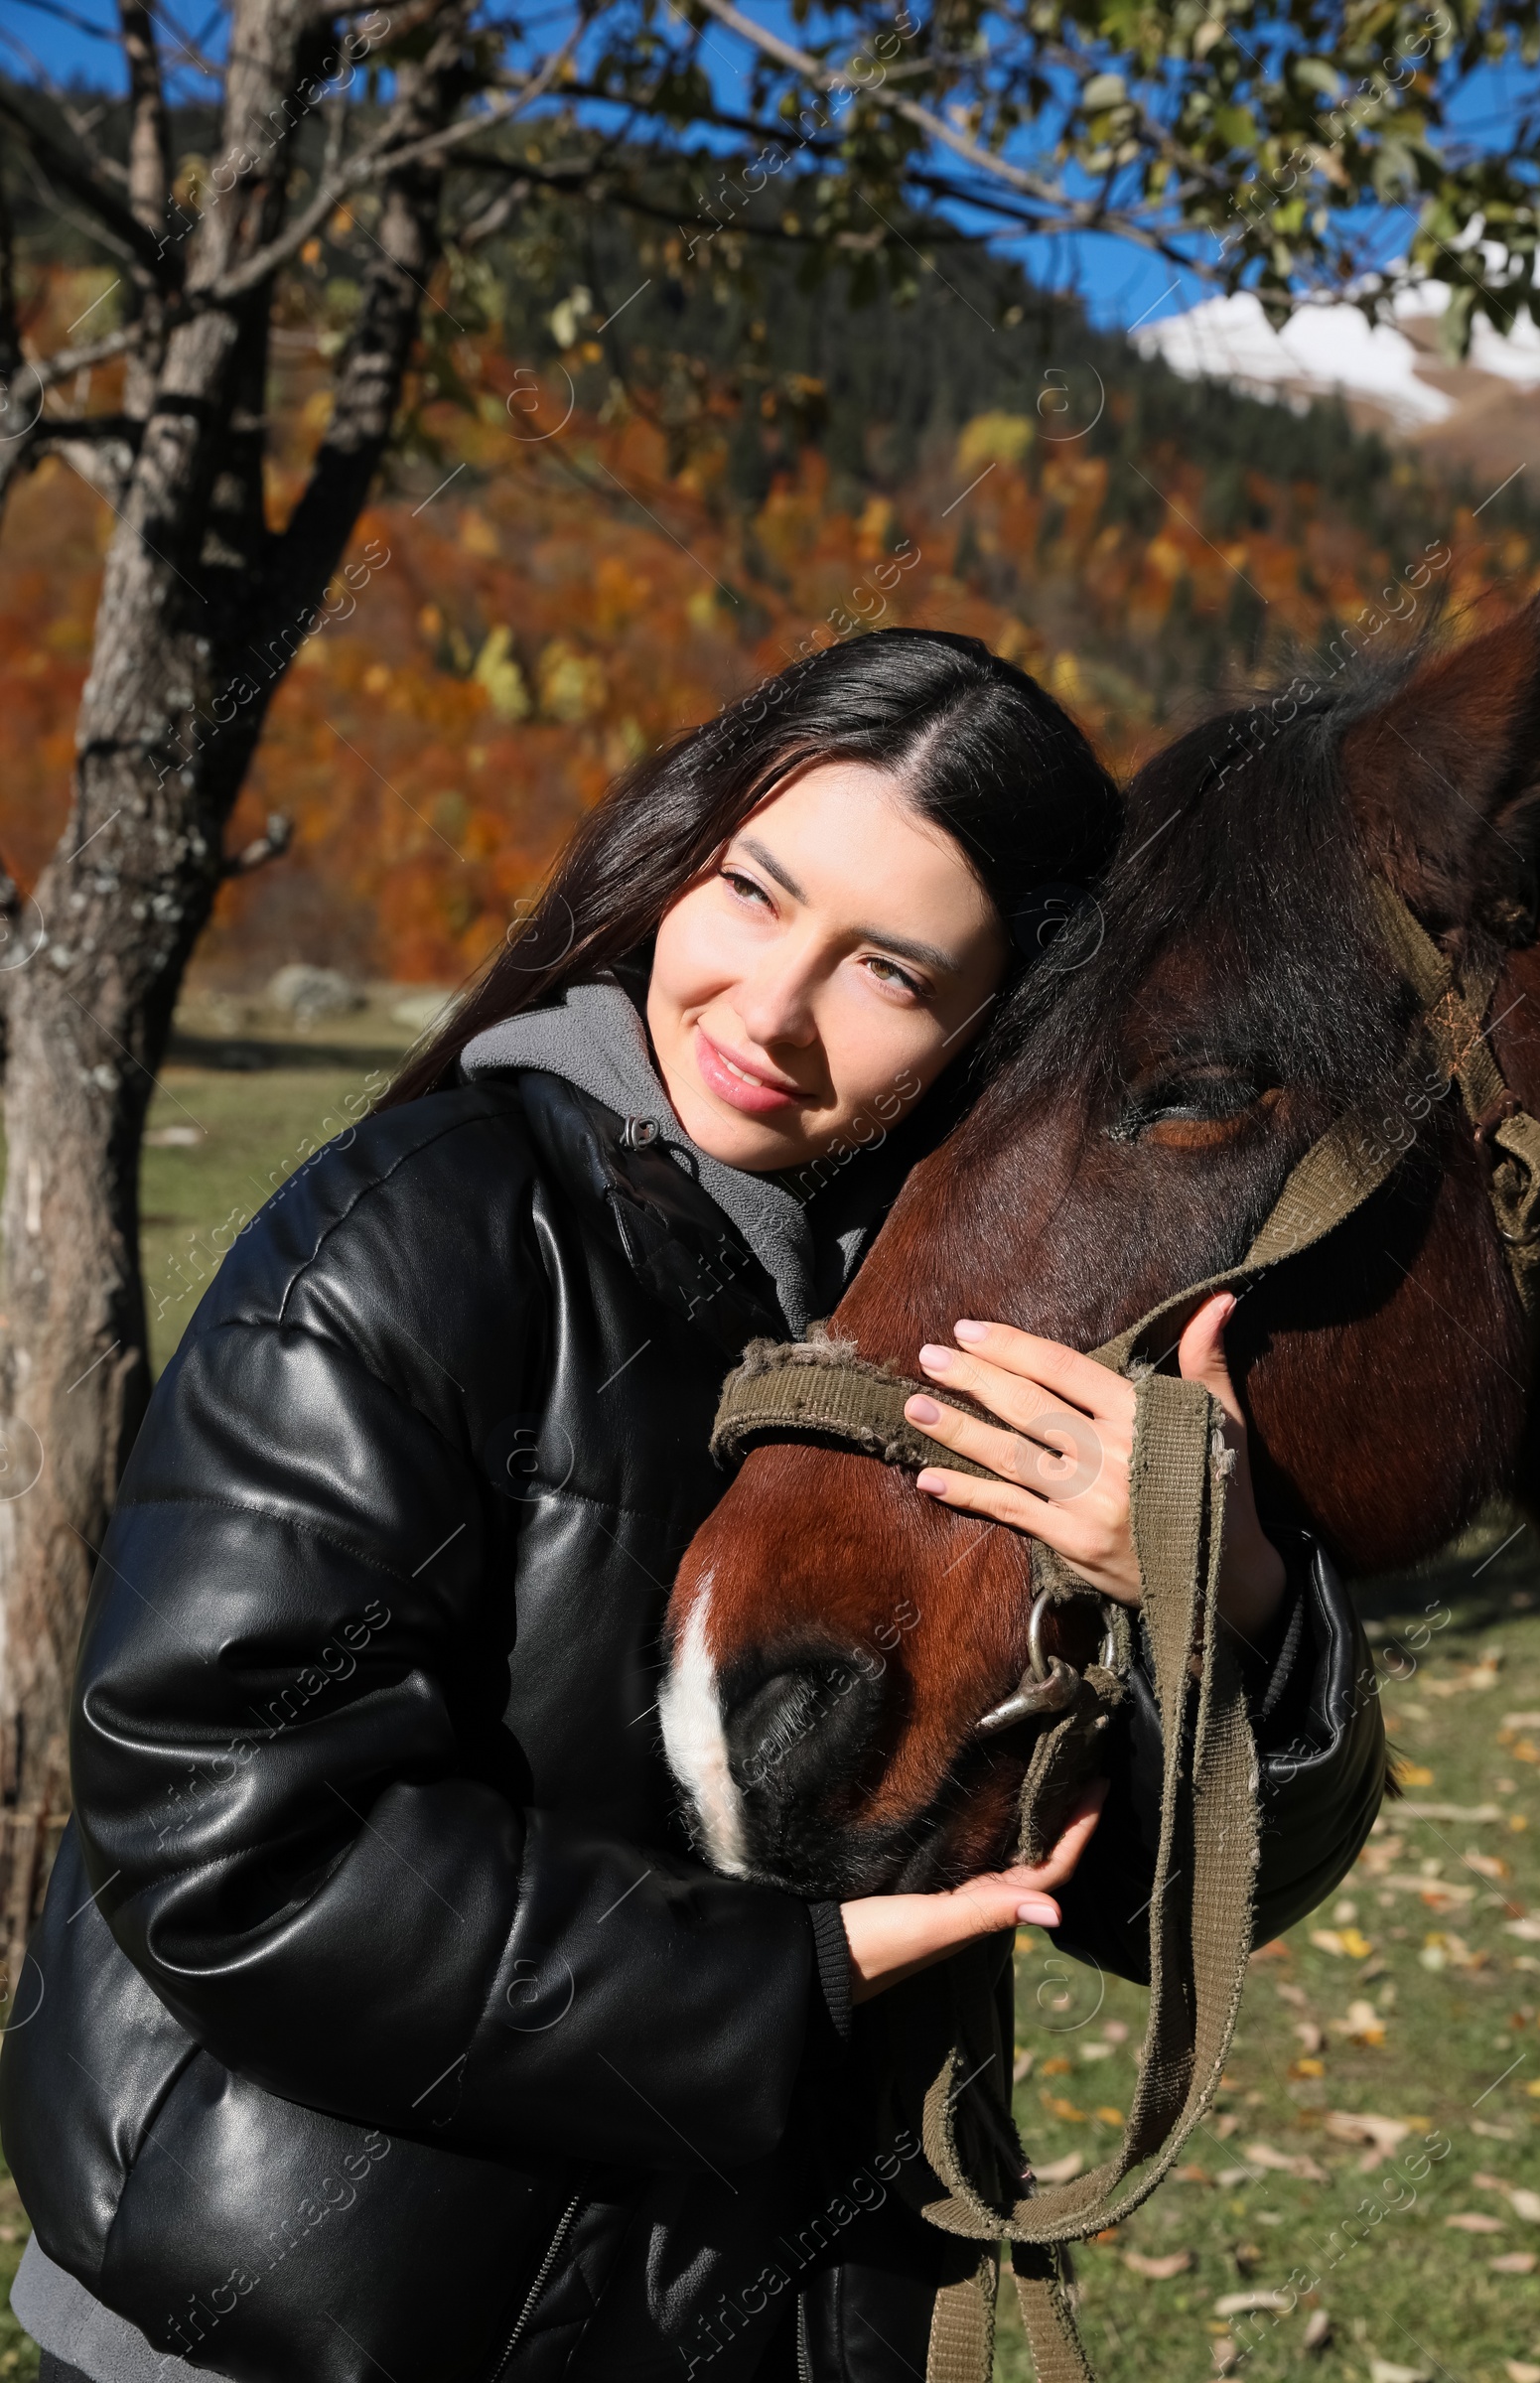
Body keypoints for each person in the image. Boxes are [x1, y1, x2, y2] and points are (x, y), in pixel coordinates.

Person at [2, 631, 1383, 2383]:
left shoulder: (984, 1331)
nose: (766, 1007)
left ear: (998, 1025)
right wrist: (784, 1981)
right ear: (679, 851)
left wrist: (1227, 1594)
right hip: (305, 2318)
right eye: (752, 890)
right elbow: (232, 1839)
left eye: (887, 968)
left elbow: (1140, 1899)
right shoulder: (420, 1234)